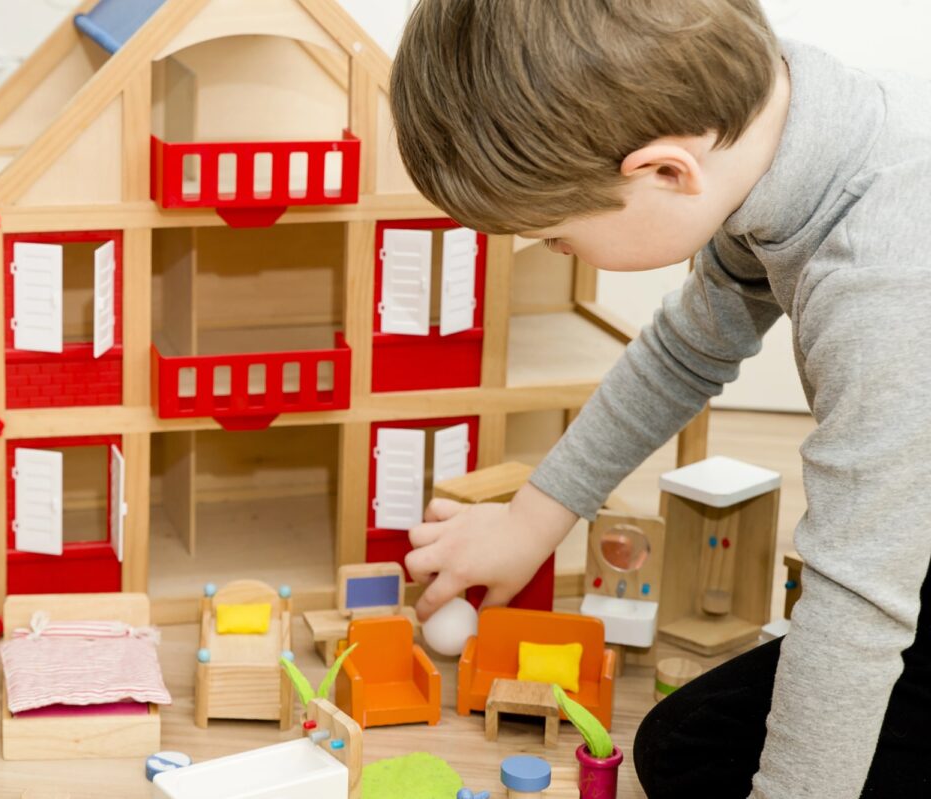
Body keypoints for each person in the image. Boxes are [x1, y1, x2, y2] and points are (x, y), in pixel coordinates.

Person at [387, 1, 931, 797]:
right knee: (685, 747)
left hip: (896, 549)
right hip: (906, 516)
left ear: (667, 171)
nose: (555, 250)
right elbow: (686, 349)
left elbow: (857, 599)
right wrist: (530, 520)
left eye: (555, 235)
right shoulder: (772, 131)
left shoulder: (884, 291)